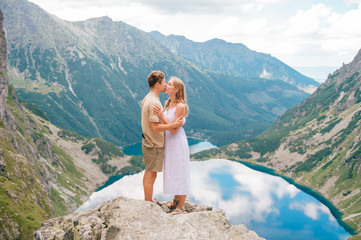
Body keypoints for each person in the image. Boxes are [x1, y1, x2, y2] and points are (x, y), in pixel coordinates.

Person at [141, 71, 183, 204]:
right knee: (151, 175)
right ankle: (148, 203)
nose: (165, 85)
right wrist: (174, 125)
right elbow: (155, 127)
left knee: (149, 173)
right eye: (164, 82)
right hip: (153, 144)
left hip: (148, 141)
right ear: (158, 84)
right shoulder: (154, 102)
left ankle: (148, 200)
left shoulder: (148, 98)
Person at [153, 76, 190, 215]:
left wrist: (162, 115)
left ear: (176, 89)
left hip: (177, 142)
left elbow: (174, 130)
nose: (166, 85)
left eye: (169, 84)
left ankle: (181, 206)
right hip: (170, 142)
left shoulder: (181, 106)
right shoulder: (168, 103)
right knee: (173, 170)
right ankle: (175, 200)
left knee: (181, 171)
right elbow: (169, 125)